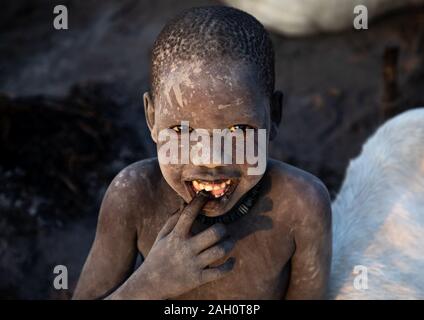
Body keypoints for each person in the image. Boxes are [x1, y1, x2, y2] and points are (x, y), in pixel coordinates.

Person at [73, 6, 331, 300]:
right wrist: (149, 284)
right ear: (151, 118)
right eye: (182, 131)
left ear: (273, 115)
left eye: (237, 129)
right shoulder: (133, 196)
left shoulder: (301, 205)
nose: (210, 159)